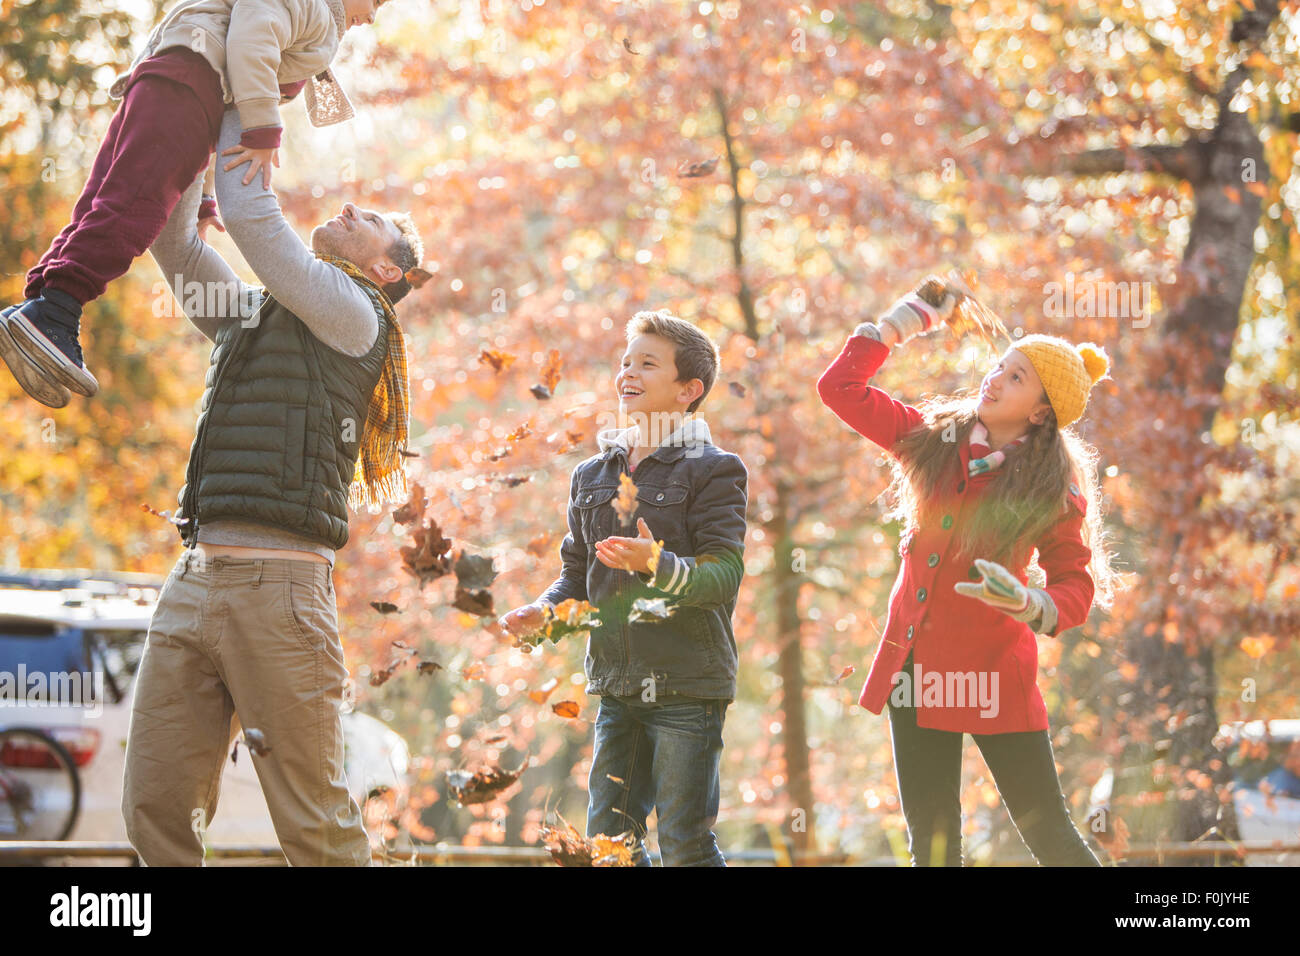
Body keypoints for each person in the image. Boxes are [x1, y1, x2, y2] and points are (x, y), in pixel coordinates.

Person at [119, 107, 424, 866]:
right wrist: (182, 138)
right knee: (154, 805)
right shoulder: (248, 317)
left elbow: (255, 223)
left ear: (386, 271)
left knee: (313, 823)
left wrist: (231, 112)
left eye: (373, 220)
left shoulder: (358, 316)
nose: (349, 207)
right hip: (192, 579)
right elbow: (177, 240)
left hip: (281, 594)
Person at [817, 277, 1118, 866]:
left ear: (1040, 410)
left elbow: (1075, 584)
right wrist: (903, 322)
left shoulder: (1052, 490)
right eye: (999, 365)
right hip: (915, 670)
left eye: (1015, 376)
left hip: (995, 676)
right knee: (932, 847)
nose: (994, 377)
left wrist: (1031, 603)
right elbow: (840, 389)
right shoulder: (932, 441)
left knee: (1050, 837)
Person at [0, 0, 388, 407]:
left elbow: (222, 100)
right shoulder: (314, 8)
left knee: (104, 201)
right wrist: (262, 131)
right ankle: (57, 311)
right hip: (185, 85)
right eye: (376, 1)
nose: (373, 16)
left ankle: (38, 305)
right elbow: (251, 39)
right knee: (136, 208)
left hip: (168, 81)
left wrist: (202, 198)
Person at [499, 311, 749, 867]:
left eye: (648, 363)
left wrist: (657, 563)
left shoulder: (714, 470)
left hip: (686, 685)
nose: (629, 371)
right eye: (626, 361)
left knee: (683, 842)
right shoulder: (591, 474)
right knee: (608, 847)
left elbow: (723, 575)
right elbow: (574, 575)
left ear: (689, 390)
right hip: (616, 684)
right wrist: (544, 614)